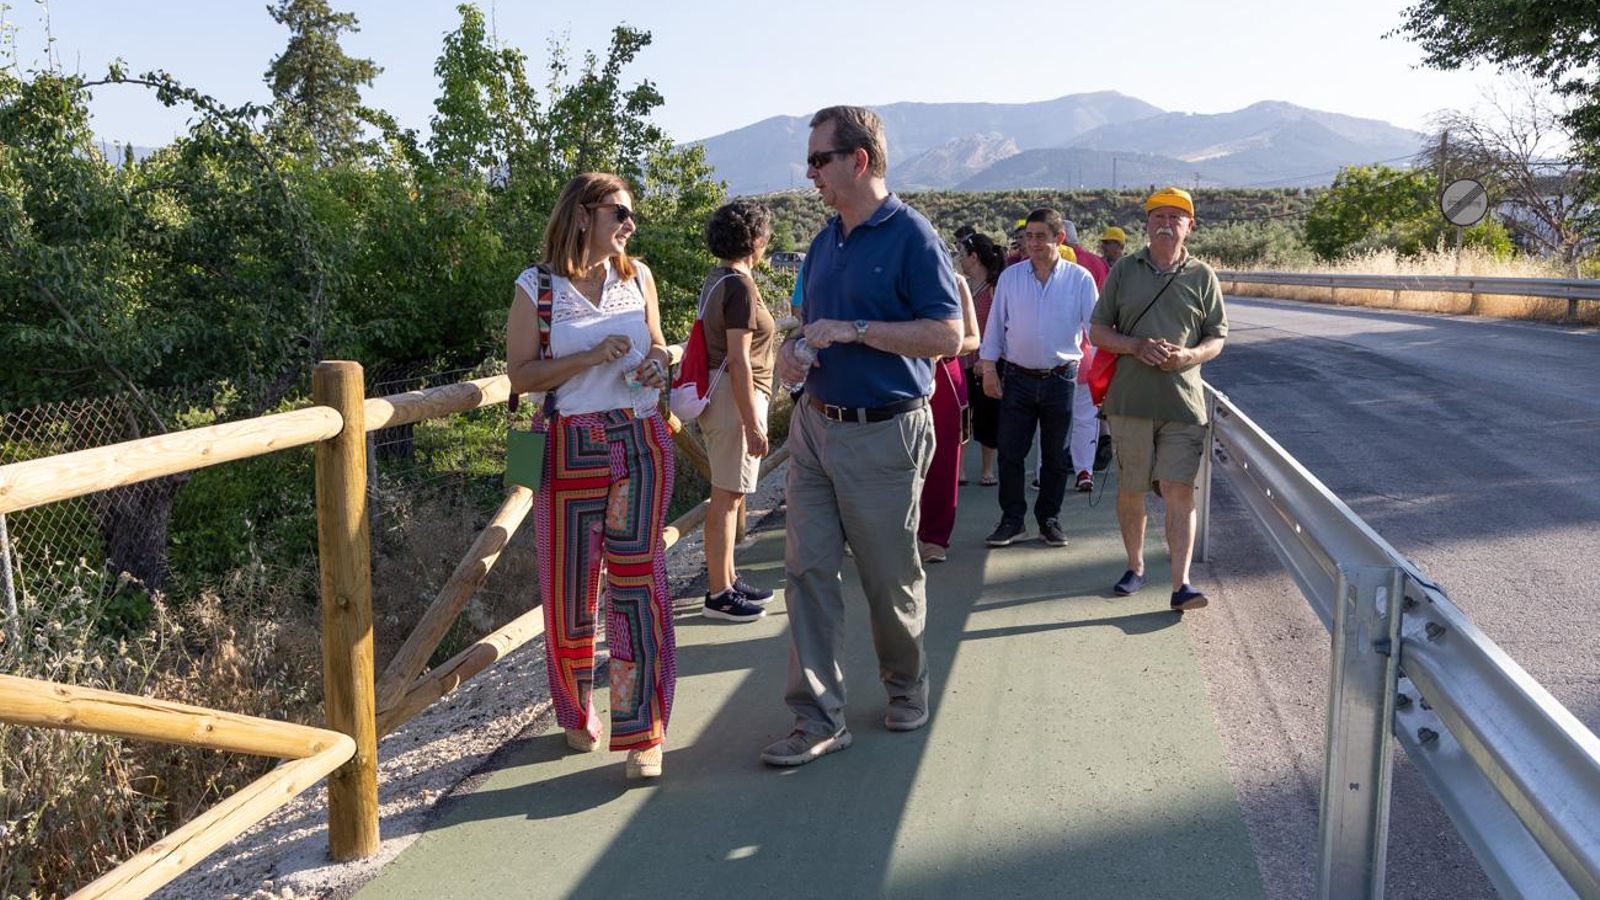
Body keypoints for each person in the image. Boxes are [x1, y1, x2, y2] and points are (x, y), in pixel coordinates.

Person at [762, 105, 963, 767]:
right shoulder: (824, 242)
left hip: (885, 434)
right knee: (807, 572)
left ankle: (906, 685)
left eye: (820, 159)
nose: (810, 172)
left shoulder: (912, 237)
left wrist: (858, 331)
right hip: (817, 428)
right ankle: (817, 718)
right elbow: (807, 326)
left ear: (859, 160)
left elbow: (946, 336)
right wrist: (796, 357)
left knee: (888, 579)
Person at [505, 172, 676, 780]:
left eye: (630, 216)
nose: (629, 225)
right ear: (583, 215)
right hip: (569, 445)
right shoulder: (537, 287)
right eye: (620, 213)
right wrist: (586, 357)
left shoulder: (638, 276)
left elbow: (657, 343)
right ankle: (578, 713)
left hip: (640, 440)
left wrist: (656, 365)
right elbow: (521, 376)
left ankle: (644, 733)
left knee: (638, 583)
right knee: (570, 589)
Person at [1089, 187, 1227, 612]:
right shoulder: (1124, 271)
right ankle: (1135, 568)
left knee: (1177, 490)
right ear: (1146, 224)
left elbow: (1217, 336)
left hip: (1183, 404)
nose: (1166, 223)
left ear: (1190, 225)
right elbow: (1097, 331)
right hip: (1129, 401)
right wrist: (1134, 346)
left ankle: (1181, 584)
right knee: (1132, 489)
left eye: (1175, 216)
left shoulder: (1203, 275)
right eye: (1158, 216)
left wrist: (1189, 356)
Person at [978, 208, 1097, 548]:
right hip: (1017, 377)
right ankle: (1012, 520)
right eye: (1027, 236)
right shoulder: (1011, 278)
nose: (1031, 243)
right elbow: (994, 328)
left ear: (1059, 238)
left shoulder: (1080, 280)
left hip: (1062, 379)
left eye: (1039, 236)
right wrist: (989, 370)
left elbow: (1095, 332)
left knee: (1056, 456)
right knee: (1010, 454)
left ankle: (1049, 519)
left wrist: (1106, 376)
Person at [697, 199, 778, 622]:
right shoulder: (741, 287)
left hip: (723, 397)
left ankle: (727, 576)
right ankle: (718, 594)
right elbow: (740, 358)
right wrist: (753, 424)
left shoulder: (718, 279)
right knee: (727, 497)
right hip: (735, 398)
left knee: (728, 493)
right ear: (756, 239)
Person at [917, 276, 982, 564]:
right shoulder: (893, 274)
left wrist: (940, 348)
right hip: (899, 370)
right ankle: (895, 535)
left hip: (944, 374)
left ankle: (934, 537)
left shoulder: (956, 283)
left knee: (943, 458)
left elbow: (973, 339)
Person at [1063, 219, 1111, 493]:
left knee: (1056, 418)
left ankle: (1054, 467)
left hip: (1065, 356)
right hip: (1091, 348)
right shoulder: (1096, 262)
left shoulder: (1057, 265)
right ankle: (1085, 468)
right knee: (1086, 416)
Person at [956, 233, 1006, 486]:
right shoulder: (960, 287)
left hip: (988, 365)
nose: (959, 260)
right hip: (961, 362)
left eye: (962, 254)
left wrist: (988, 360)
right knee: (961, 417)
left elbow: (1002, 327)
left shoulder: (995, 289)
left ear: (974, 257)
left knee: (988, 417)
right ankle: (959, 469)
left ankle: (988, 470)